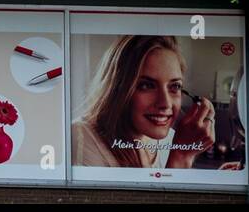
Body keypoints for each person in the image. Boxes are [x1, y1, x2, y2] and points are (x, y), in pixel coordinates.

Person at [72, 35, 215, 169]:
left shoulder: (170, 138)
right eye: (147, 85)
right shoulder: (82, 137)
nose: (165, 103)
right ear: (117, 89)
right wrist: (181, 155)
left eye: (175, 86)